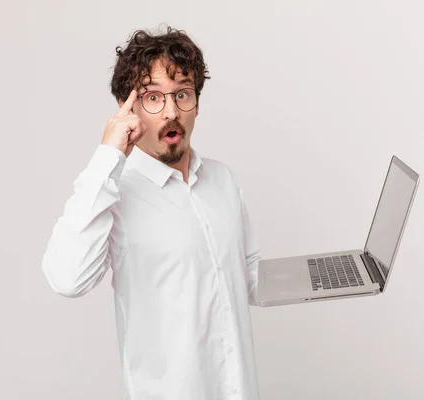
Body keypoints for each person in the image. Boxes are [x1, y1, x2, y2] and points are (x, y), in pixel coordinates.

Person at [42, 26, 262, 400]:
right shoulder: (114, 192)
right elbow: (67, 278)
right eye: (153, 98)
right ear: (128, 108)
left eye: (182, 94)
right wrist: (107, 157)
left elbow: (247, 273)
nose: (172, 111)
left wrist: (319, 277)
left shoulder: (223, 181)